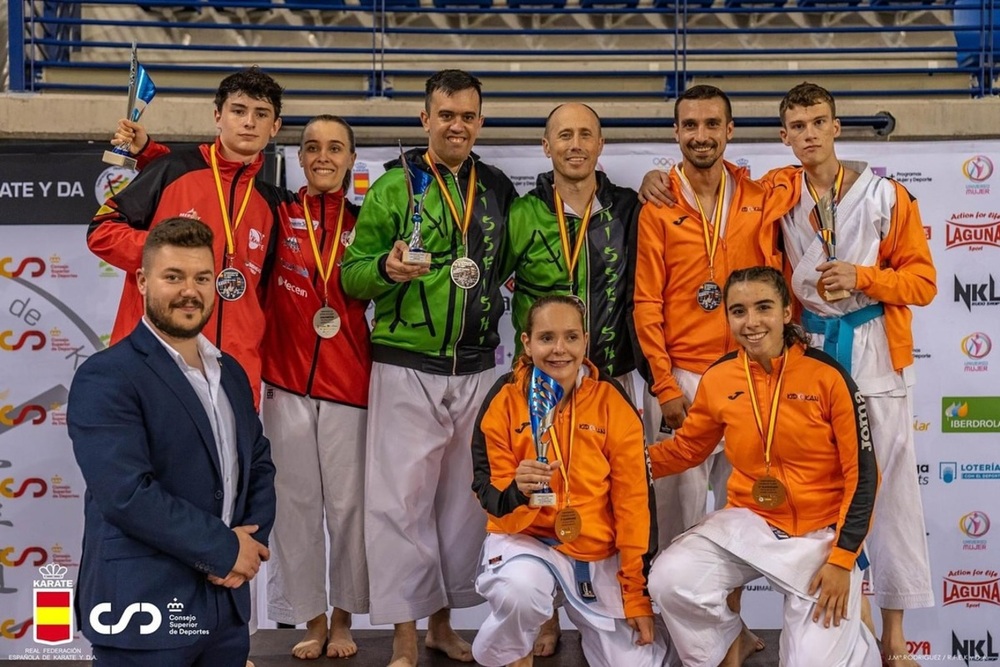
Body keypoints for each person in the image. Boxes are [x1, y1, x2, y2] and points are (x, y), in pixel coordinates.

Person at [340, 69, 517, 667]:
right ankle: (405, 636)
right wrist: (387, 271)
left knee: (462, 505)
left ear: (480, 123)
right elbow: (353, 274)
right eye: (446, 115)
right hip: (405, 361)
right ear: (425, 119)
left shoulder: (496, 189)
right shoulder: (394, 187)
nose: (457, 125)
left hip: (477, 365)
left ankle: (443, 623)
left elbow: (517, 265)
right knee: (399, 503)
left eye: (468, 116)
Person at [762, 82, 936, 666]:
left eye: (818, 122)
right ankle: (851, 621)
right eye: (797, 126)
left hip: (876, 351)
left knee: (891, 494)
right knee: (826, 486)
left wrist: (865, 277)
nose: (808, 134)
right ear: (784, 136)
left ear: (836, 127)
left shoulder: (886, 196)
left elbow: (924, 283)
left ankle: (894, 633)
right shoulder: (778, 198)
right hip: (811, 349)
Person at [646, 266, 881, 667]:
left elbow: (863, 476)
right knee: (670, 579)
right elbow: (688, 449)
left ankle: (858, 641)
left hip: (818, 536)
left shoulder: (828, 377)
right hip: (750, 520)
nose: (751, 322)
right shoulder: (720, 377)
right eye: (738, 311)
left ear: (787, 312)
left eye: (763, 307)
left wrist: (843, 559)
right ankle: (727, 641)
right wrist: (627, 461)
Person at [68, 217, 276, 666]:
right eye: (174, 277)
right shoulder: (105, 376)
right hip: (143, 610)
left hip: (226, 610)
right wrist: (224, 550)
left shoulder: (231, 373)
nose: (190, 291)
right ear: (142, 281)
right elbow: (126, 494)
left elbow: (258, 463)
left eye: (202, 278)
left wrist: (248, 547)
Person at [632, 84, 789, 552]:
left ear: (730, 130)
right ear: (676, 132)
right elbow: (646, 304)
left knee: (742, 515)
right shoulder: (658, 206)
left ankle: (729, 623)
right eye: (691, 125)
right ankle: (676, 623)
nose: (702, 135)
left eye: (712, 124)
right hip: (682, 380)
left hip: (746, 373)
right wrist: (664, 385)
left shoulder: (758, 196)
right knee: (676, 519)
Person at [470, 295, 667, 667]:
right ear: (526, 343)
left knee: (636, 663)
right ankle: (507, 653)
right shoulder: (505, 397)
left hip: (595, 547)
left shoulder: (611, 400)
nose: (559, 350)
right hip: (526, 540)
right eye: (546, 338)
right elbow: (487, 492)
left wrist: (636, 593)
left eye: (571, 337)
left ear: (585, 340)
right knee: (520, 592)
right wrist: (518, 491)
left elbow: (634, 503)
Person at [89, 65, 286, 408]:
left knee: (229, 462)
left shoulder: (272, 203)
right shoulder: (173, 171)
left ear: (276, 126)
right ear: (218, 116)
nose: (249, 122)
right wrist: (168, 258)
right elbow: (102, 232)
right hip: (160, 361)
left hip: (236, 369)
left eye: (261, 114)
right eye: (238, 111)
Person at [259, 116, 371, 660]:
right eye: (311, 148)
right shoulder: (277, 213)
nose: (323, 156)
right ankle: (312, 616)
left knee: (349, 507)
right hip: (285, 377)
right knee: (295, 504)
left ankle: (346, 617)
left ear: (351, 158)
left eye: (335, 148)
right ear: (299, 158)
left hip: (349, 381)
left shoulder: (369, 219)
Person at [508, 103, 640, 387]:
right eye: (565, 135)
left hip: (610, 375)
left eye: (585, 135)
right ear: (546, 145)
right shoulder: (522, 213)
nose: (576, 145)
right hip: (540, 376)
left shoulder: (628, 209)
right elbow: (484, 283)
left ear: (600, 144)